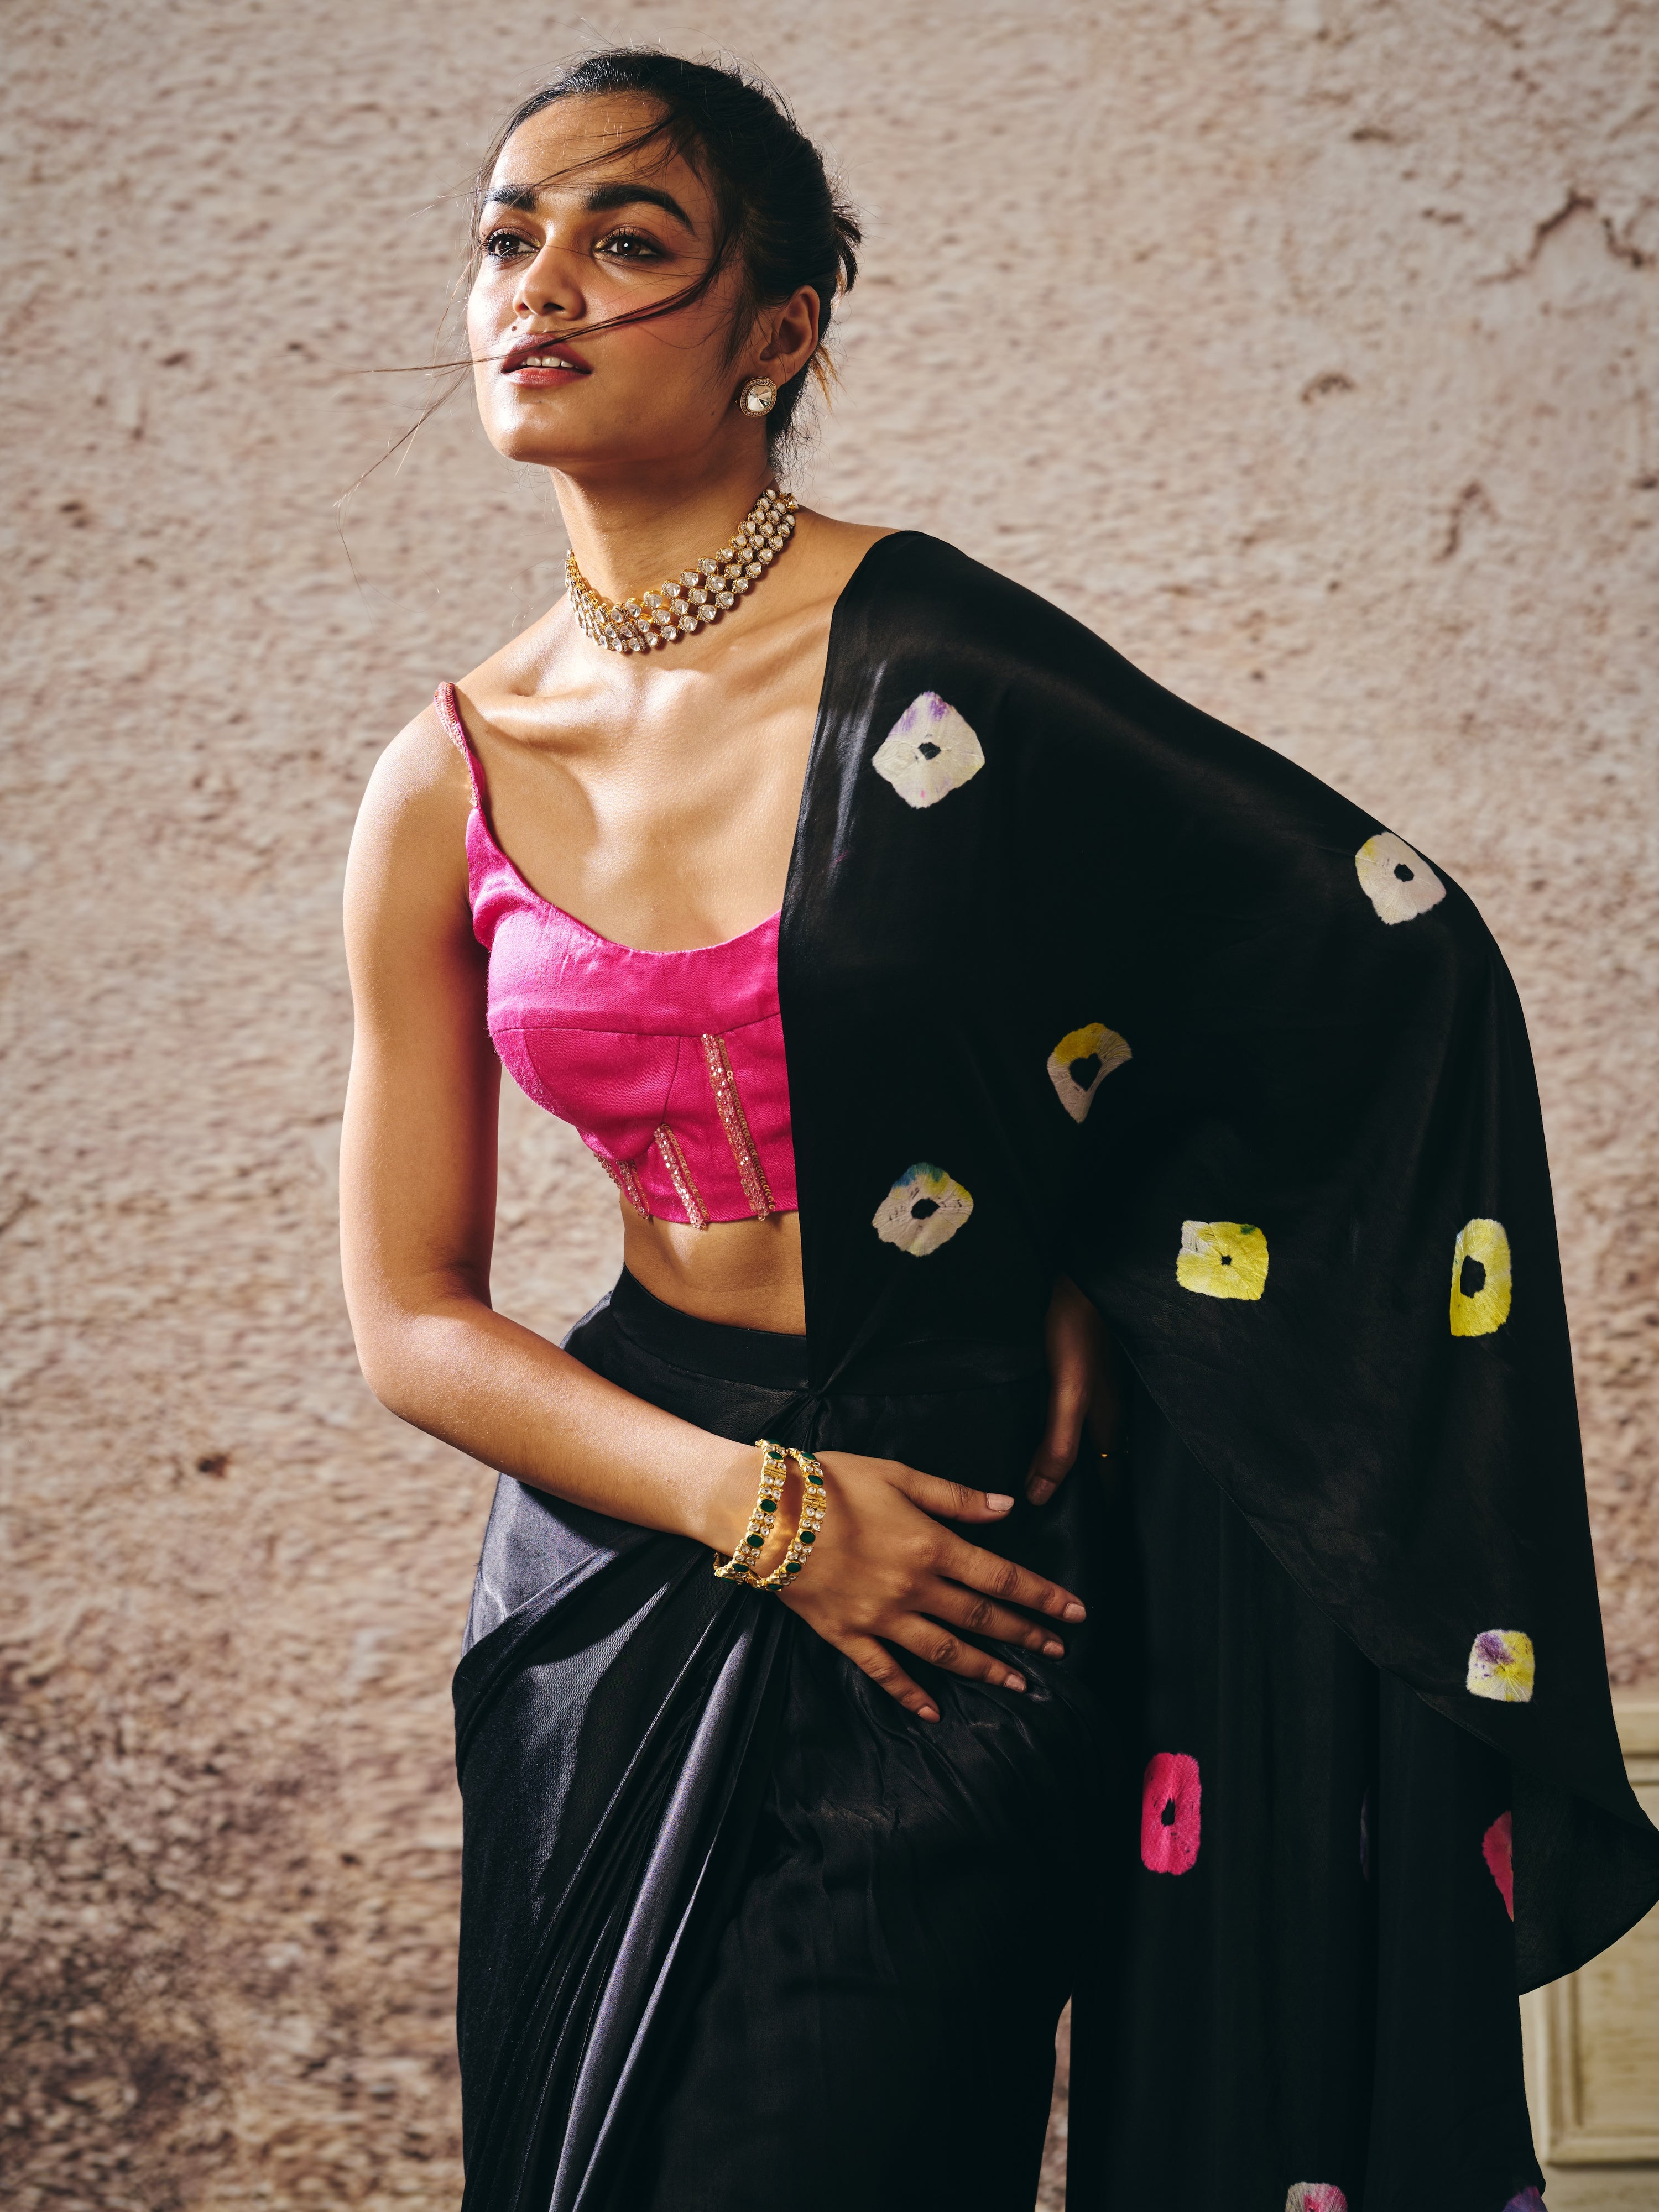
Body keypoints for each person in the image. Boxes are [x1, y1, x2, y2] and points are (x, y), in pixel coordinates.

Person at [339, 49, 1658, 2212]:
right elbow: (409, 1315)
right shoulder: (445, 776)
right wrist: (760, 1508)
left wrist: (1093, 1270)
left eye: (628, 238)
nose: (540, 282)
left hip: (953, 1564)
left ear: (782, 334)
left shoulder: (943, 669)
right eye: (508, 234)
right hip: (619, 1577)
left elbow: (1356, 957)